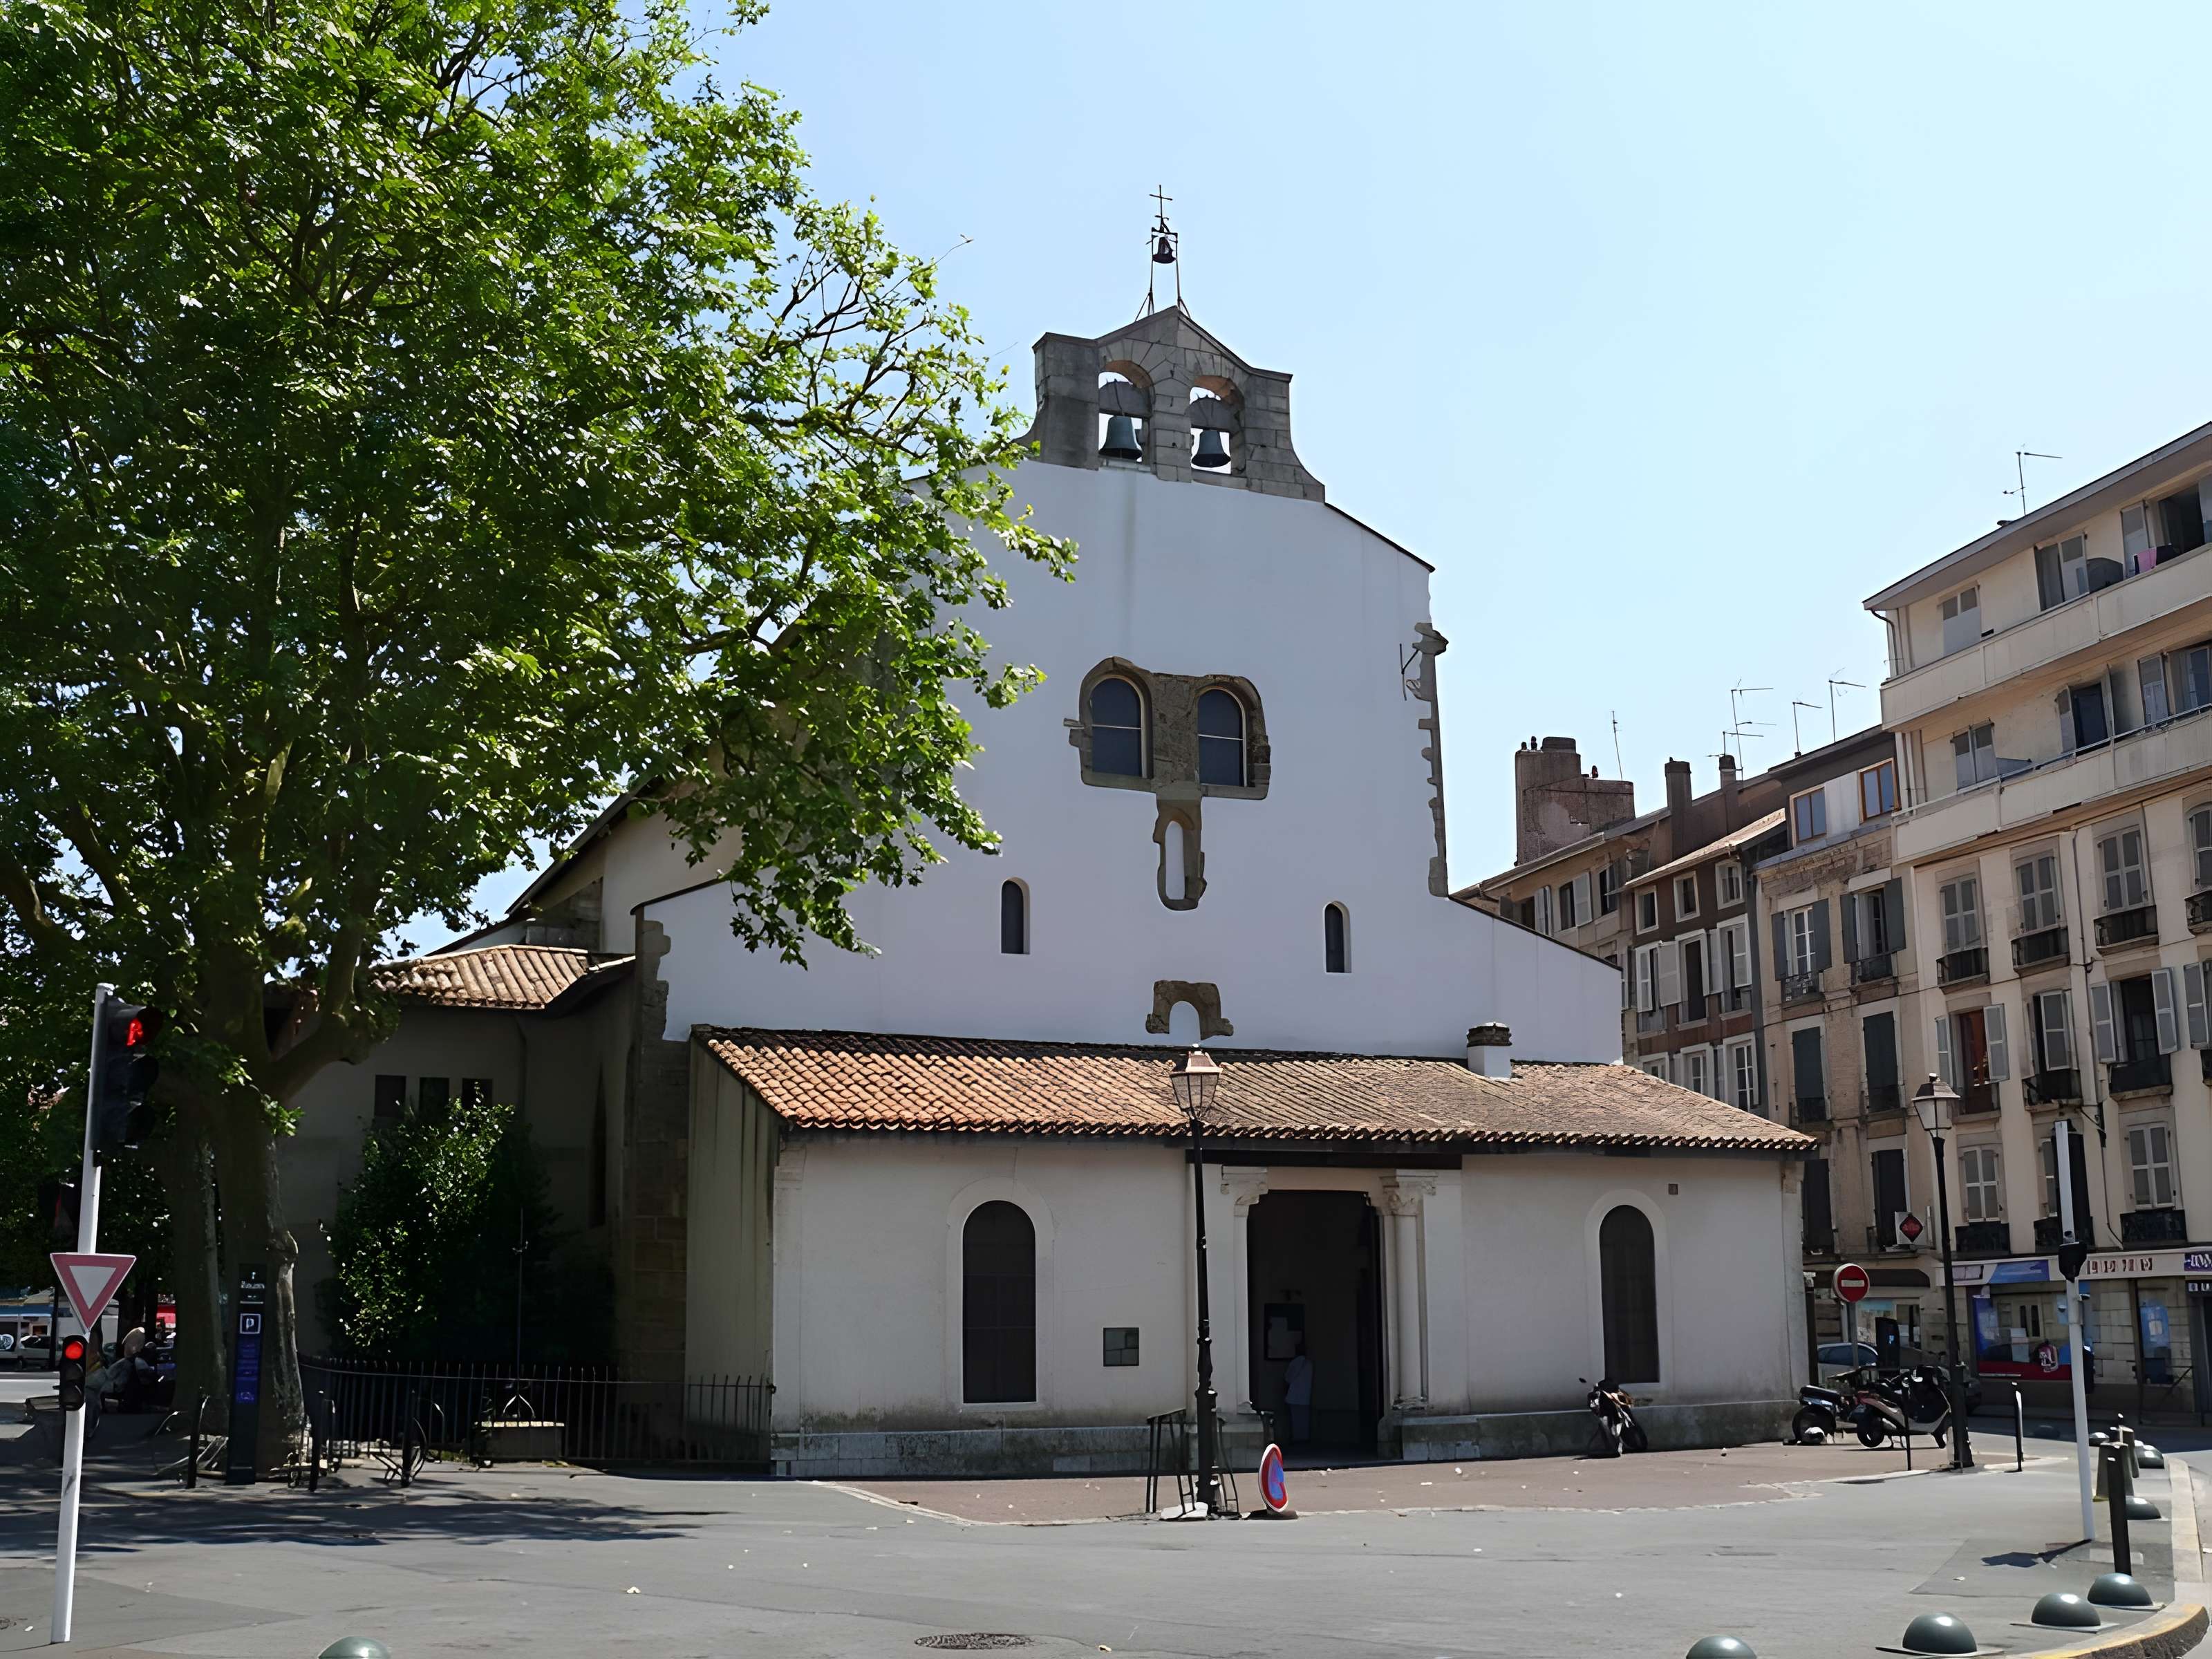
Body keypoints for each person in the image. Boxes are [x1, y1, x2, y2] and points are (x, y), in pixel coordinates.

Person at [1283, 1339, 1313, 1445]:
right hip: (1306, 1397)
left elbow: (1288, 1378)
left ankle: (1297, 1441)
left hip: (1294, 1397)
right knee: (1304, 1421)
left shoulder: (1295, 1363)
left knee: (1295, 1421)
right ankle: (1304, 1440)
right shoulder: (1309, 1364)